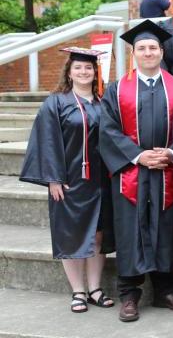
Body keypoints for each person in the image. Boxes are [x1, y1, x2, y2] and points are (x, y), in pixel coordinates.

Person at [100, 20, 173, 322]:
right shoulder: (117, 89)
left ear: (161, 50)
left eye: (153, 47)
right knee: (131, 231)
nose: (148, 52)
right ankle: (129, 294)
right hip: (132, 172)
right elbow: (108, 130)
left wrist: (172, 152)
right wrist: (139, 156)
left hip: (168, 170)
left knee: (168, 229)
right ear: (134, 52)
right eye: (142, 48)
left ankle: (167, 290)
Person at [20, 47, 114, 314]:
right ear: (69, 72)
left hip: (99, 182)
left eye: (88, 68)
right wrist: (53, 179)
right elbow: (46, 141)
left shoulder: (102, 102)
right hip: (69, 182)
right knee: (71, 235)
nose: (84, 72)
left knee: (97, 236)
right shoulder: (56, 103)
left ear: (95, 72)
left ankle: (95, 288)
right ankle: (78, 291)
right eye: (78, 68)